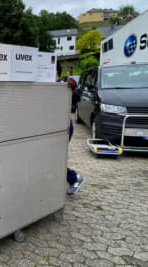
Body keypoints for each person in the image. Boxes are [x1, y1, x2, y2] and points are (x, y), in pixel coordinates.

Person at [56, 62, 84, 195]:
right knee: (52, 158)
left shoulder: (62, 85)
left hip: (64, 127)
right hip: (52, 128)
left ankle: (75, 178)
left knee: (54, 158)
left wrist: (71, 88)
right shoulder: (43, 84)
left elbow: (78, 96)